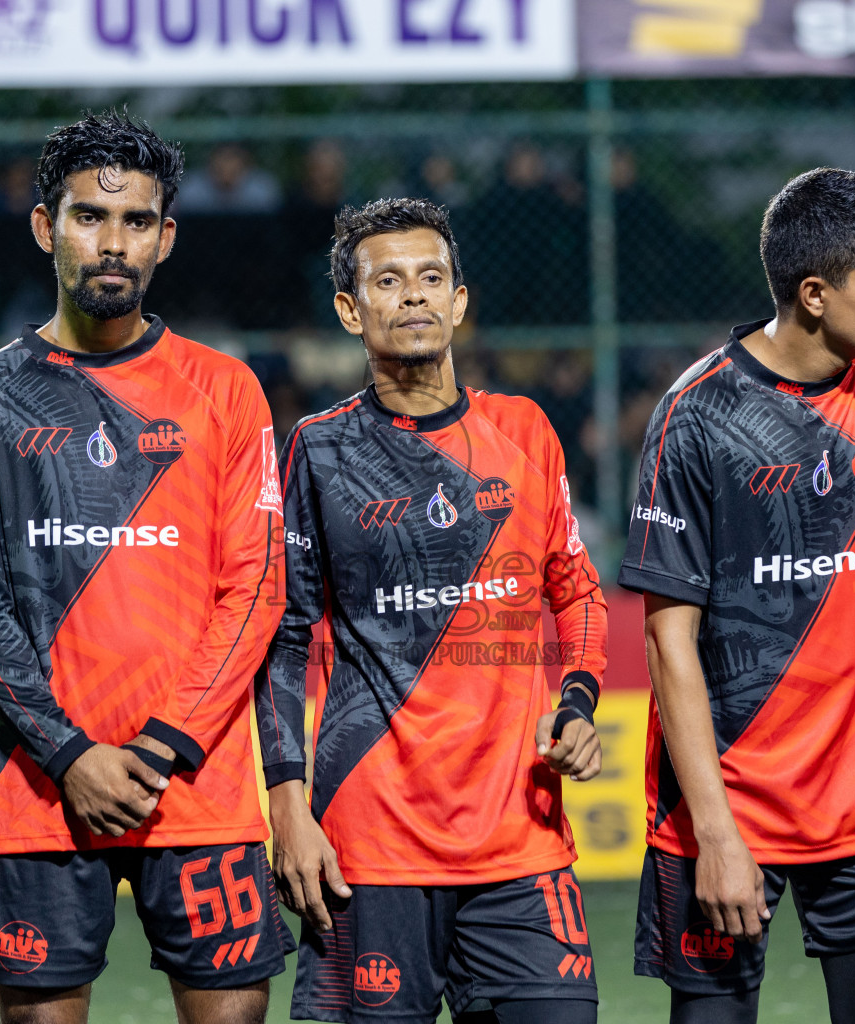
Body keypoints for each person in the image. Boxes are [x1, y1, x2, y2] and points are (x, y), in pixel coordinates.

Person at [0, 111, 292, 1024]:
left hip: (198, 781)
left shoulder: (226, 387)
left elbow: (253, 588)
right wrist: (69, 752)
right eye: (90, 216)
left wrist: (163, 744)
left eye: (136, 221)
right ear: (46, 227)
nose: (113, 242)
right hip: (44, 786)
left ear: (165, 238)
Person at [619, 167, 855, 1024]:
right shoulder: (694, 416)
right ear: (814, 293)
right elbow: (670, 644)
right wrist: (713, 833)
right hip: (721, 808)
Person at [256, 197, 608, 1024]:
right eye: (387, 280)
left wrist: (581, 704)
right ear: (351, 309)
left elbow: (579, 588)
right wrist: (287, 806)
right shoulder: (318, 449)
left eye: (430, 278)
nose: (413, 296)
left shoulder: (525, 430)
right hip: (369, 845)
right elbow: (282, 638)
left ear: (458, 301)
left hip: (519, 842)